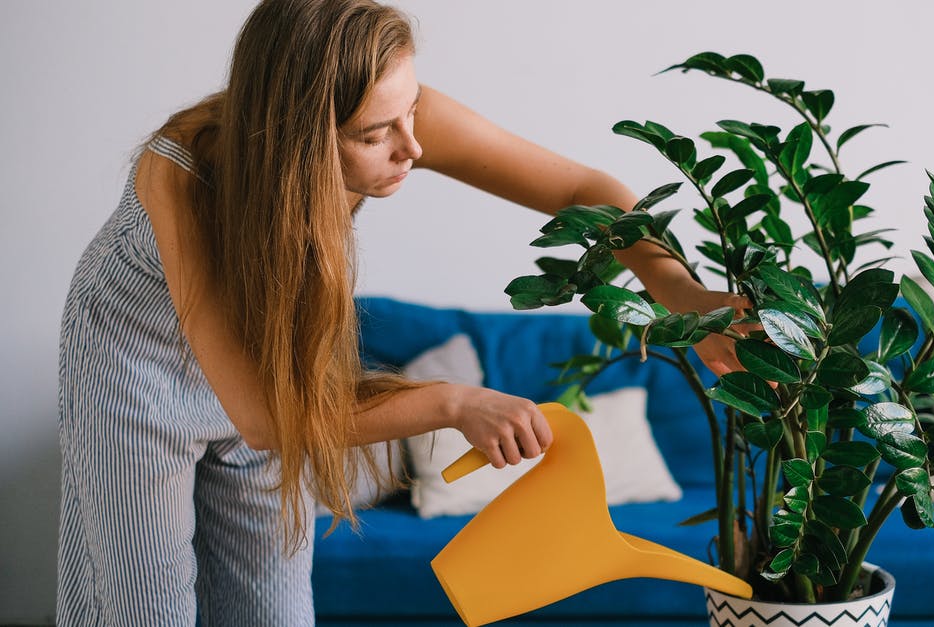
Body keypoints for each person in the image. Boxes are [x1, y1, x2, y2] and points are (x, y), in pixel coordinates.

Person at [56, 0, 748, 625]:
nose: (412, 147)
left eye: (411, 109)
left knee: (276, 606)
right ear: (296, 141)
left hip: (263, 365)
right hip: (134, 361)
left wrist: (686, 296)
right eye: (374, 133)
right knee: (145, 606)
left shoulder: (393, 112)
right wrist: (451, 401)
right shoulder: (179, 174)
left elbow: (579, 188)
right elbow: (264, 419)